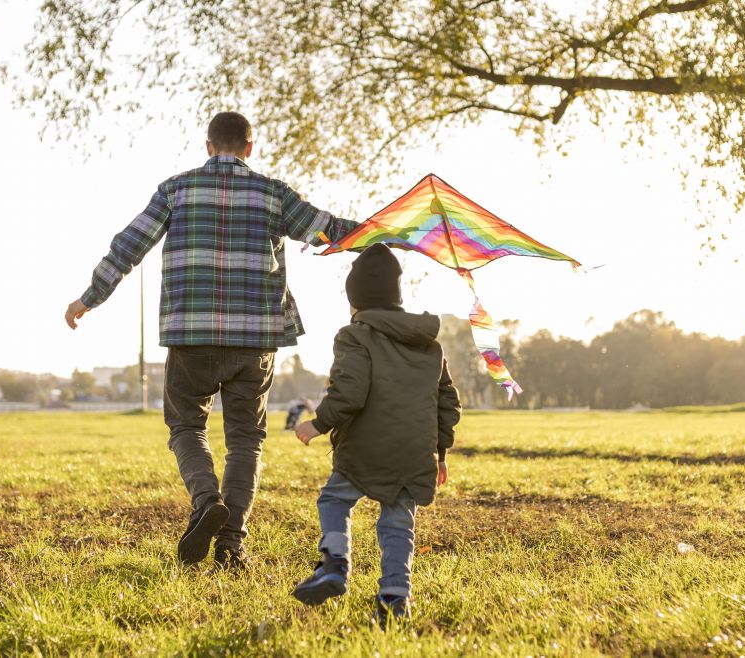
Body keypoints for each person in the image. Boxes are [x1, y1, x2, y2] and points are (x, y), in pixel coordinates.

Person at [64, 111, 358, 570]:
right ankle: (230, 545)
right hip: (254, 339)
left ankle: (206, 502)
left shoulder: (176, 190)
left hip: (190, 334)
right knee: (245, 441)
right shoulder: (273, 194)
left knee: (186, 427)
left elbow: (129, 245)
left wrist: (89, 297)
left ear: (207, 147)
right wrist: (387, 233)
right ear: (249, 147)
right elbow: (329, 229)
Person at [291, 244, 462, 627]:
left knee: (334, 499)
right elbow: (447, 403)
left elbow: (350, 393)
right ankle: (394, 600)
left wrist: (316, 424)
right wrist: (441, 453)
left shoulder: (354, 336)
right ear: (397, 296)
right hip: (415, 454)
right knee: (398, 524)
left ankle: (334, 564)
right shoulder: (431, 346)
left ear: (356, 300)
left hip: (363, 450)